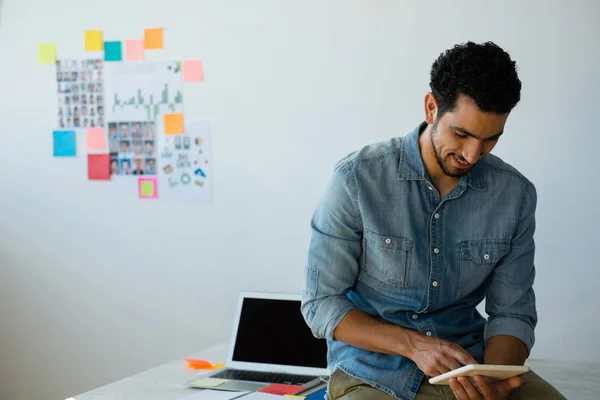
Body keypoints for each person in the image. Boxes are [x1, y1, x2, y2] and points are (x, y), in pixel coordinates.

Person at [300, 41, 567, 400]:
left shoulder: (514, 195)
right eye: (461, 134)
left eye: (490, 139)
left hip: (471, 364)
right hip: (375, 372)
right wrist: (414, 346)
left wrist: (494, 380)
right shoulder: (356, 179)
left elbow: (512, 313)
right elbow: (321, 303)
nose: (473, 154)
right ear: (431, 108)